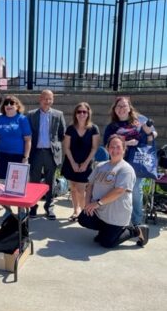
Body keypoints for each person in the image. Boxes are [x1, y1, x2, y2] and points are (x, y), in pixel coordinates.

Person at [78, 134, 149, 248]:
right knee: (83, 218)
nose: (114, 150)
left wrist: (97, 203)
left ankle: (135, 231)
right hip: (99, 212)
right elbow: (90, 185)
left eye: (118, 147)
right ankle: (105, 231)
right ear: (107, 148)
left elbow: (119, 191)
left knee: (107, 243)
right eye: (112, 146)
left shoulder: (126, 169)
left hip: (116, 215)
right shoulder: (100, 166)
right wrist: (87, 204)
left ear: (124, 149)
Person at [103, 96, 157, 226]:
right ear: (114, 109)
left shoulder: (140, 119)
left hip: (138, 162)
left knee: (135, 191)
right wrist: (126, 143)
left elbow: (153, 135)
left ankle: (137, 221)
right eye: (118, 106)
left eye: (124, 106)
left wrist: (149, 133)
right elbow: (106, 145)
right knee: (118, 191)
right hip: (119, 163)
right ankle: (119, 220)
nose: (121, 109)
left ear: (129, 108)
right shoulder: (112, 126)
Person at [27, 89, 66, 220]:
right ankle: (33, 207)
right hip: (36, 152)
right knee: (34, 181)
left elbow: (62, 133)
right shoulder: (31, 115)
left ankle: (49, 207)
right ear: (40, 99)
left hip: (51, 153)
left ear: (53, 100)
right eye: (45, 98)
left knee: (50, 182)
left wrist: (55, 146)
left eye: (50, 99)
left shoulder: (58, 114)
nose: (47, 101)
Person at [61, 102, 100, 221]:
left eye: (84, 112)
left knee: (81, 189)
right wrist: (72, 163)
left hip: (86, 163)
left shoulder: (94, 128)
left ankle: (84, 213)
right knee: (72, 187)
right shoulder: (70, 128)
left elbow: (94, 148)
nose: (82, 114)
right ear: (75, 114)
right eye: (79, 112)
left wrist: (85, 163)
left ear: (88, 114)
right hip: (71, 162)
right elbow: (66, 147)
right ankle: (75, 210)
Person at [0, 95, 31, 179]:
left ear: (17, 106)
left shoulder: (22, 119)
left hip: (18, 157)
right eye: (6, 103)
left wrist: (25, 157)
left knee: (15, 184)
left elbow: (28, 140)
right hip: (1, 156)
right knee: (1, 184)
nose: (8, 105)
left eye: (12, 103)